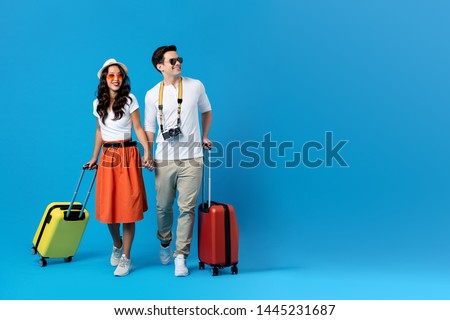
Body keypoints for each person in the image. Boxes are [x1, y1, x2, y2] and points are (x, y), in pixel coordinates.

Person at [144, 45, 213, 277]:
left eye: (179, 59)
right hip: (164, 158)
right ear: (160, 66)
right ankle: (165, 243)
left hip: (193, 157)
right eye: (172, 61)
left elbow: (207, 110)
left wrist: (204, 136)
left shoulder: (195, 85)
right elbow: (150, 128)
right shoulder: (152, 94)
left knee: (187, 208)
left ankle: (181, 256)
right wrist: (147, 152)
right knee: (163, 207)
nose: (178, 63)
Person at [85, 58, 150, 277]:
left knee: (129, 209)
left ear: (123, 78)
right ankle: (117, 243)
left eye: (119, 75)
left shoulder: (130, 99)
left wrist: (148, 151)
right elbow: (99, 132)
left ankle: (127, 257)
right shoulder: (97, 104)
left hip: (128, 155)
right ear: (105, 78)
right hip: (108, 157)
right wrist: (94, 157)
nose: (115, 79)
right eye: (111, 75)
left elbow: (139, 128)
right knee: (109, 210)